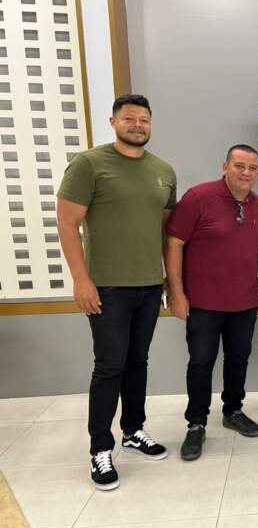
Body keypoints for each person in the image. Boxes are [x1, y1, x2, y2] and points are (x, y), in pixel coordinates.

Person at [57, 94, 176, 490]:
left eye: (144, 119)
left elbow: (165, 231)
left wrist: (167, 280)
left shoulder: (163, 171)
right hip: (107, 287)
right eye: (129, 118)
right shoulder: (89, 164)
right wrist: (81, 279)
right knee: (109, 366)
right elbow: (67, 224)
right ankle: (100, 448)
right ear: (113, 122)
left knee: (138, 361)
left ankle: (133, 431)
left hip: (148, 286)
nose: (137, 125)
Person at [165, 144, 258, 461]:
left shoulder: (257, 204)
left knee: (238, 358)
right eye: (239, 165)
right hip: (204, 303)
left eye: (252, 168)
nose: (246, 172)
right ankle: (196, 423)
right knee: (201, 362)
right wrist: (176, 292)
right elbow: (174, 242)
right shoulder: (198, 197)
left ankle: (233, 410)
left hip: (245, 301)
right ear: (225, 166)